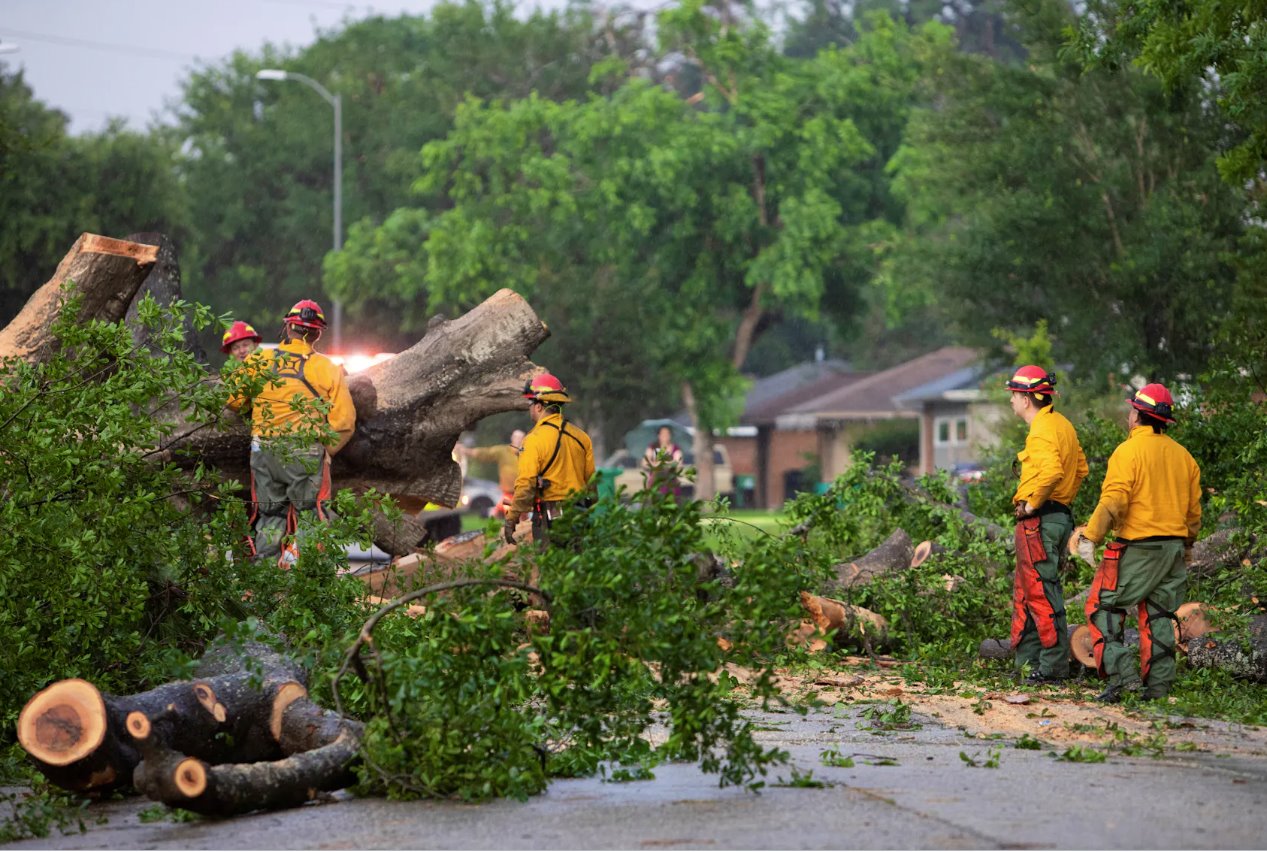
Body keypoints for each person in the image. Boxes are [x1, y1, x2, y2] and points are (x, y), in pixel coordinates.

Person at [1074, 383, 1201, 703]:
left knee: (1102, 607)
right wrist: (1187, 547)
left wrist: (1091, 535)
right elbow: (1193, 513)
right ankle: (1157, 689)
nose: (1128, 416)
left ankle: (1123, 678)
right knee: (1160, 615)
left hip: (1138, 546)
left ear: (1138, 416)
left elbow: (1114, 500)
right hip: (1173, 548)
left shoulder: (1127, 451)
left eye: (1131, 410)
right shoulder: (1184, 457)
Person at [228, 299, 356, 562]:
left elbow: (234, 399)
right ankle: (305, 581)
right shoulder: (328, 368)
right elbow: (344, 422)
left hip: (263, 449)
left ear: (288, 328)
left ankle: (266, 580)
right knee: (310, 515)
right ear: (318, 333)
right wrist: (326, 451)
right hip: (305, 452)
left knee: (270, 516)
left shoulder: (260, 360)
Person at [1006, 365, 1088, 685]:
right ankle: (1026, 663)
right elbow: (1080, 469)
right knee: (1029, 591)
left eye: (1013, 395)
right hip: (1058, 517)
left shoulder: (1041, 429)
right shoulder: (1062, 424)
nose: (1011, 401)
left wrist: (1033, 504)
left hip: (1038, 520)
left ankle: (1052, 667)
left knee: (1042, 592)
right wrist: (1062, 502)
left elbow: (1053, 472)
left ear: (1027, 398)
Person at [504, 373, 595, 548]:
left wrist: (512, 518)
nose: (530, 409)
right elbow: (592, 486)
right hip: (580, 514)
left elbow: (525, 484)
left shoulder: (534, 440)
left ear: (539, 407)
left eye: (531, 404)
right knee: (577, 568)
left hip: (550, 517)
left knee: (552, 569)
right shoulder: (582, 438)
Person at [460, 429, 525, 517]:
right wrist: (467, 451)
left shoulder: (528, 453)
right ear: (512, 438)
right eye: (516, 437)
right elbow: (486, 453)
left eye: (520, 438)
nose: (518, 440)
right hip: (508, 493)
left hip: (524, 493)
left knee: (524, 518)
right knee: (508, 516)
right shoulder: (503, 451)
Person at [641, 425, 685, 495]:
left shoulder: (676, 449)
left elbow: (678, 463)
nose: (665, 436)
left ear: (670, 435)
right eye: (662, 433)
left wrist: (665, 464)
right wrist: (654, 464)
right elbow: (645, 462)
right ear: (658, 435)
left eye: (667, 434)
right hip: (655, 483)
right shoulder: (653, 447)